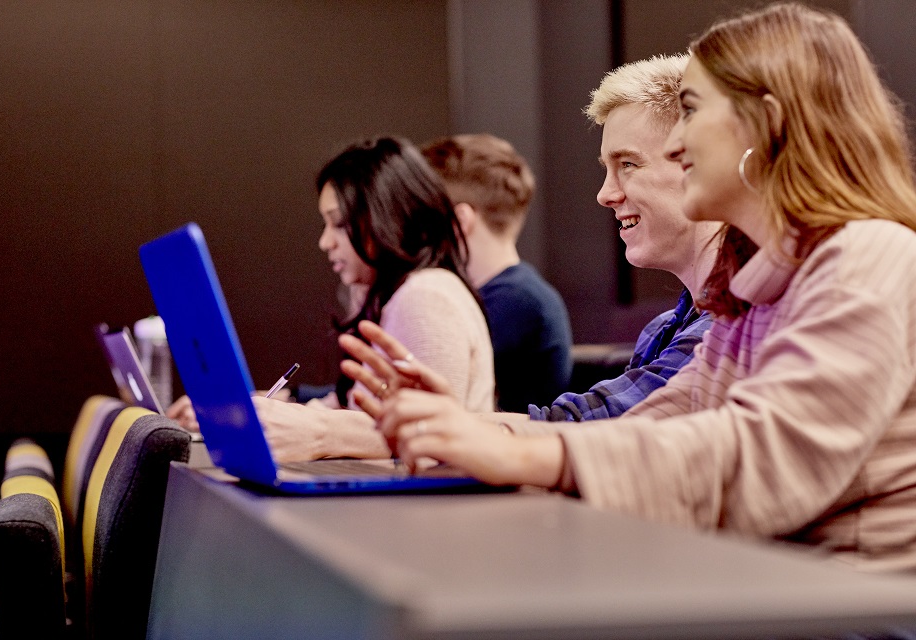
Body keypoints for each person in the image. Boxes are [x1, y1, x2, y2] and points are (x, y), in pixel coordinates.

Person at [345, 3, 916, 573]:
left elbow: (768, 461)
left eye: (690, 113)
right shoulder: (754, 289)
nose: (679, 144)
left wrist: (515, 450)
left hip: (847, 614)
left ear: (765, 125)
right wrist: (471, 431)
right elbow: (652, 427)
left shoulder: (868, 254)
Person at [342, 54, 720, 425]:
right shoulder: (663, 329)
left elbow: (595, 431)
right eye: (608, 168)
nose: (605, 194)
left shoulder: (732, 330)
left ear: (700, 165)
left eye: (628, 164)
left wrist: (439, 428)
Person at [170, 136, 495, 461]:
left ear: (389, 216)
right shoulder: (394, 295)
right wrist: (260, 410)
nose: (325, 242)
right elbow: (356, 410)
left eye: (338, 223)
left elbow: (429, 444)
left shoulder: (426, 298)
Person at [420, 133, 573, 412]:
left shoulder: (517, 301)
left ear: (459, 222)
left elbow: (419, 394)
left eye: (421, 214)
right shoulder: (512, 294)